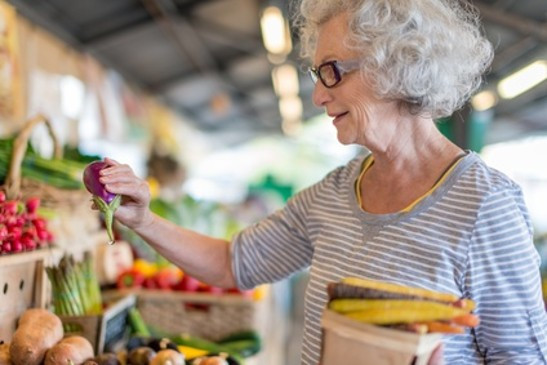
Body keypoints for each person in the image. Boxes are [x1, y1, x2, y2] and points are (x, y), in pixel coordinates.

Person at [97, 0, 547, 364]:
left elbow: (522, 357)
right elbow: (233, 263)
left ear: (396, 65)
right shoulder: (335, 192)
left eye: (332, 70)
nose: (317, 95)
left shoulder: (484, 204)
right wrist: (145, 219)